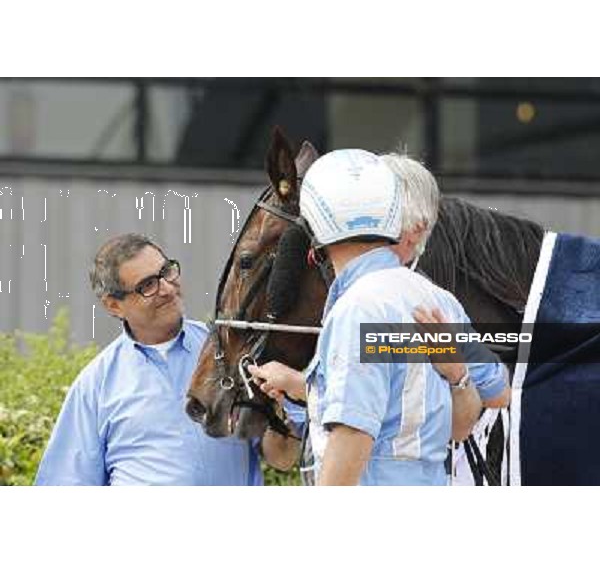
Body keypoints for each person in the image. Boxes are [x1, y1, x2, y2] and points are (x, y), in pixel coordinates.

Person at [249, 149, 509, 485]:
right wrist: (457, 373)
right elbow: (492, 396)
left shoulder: (357, 308)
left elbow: (354, 433)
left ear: (316, 228)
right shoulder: (437, 299)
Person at [35, 233, 263, 485]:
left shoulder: (230, 349)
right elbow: (66, 484)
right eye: (147, 285)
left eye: (166, 272)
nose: (166, 288)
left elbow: (283, 450)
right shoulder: (95, 386)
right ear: (114, 306)